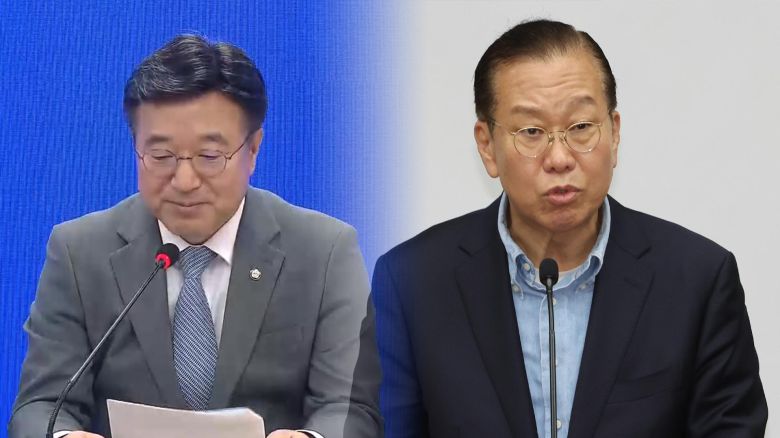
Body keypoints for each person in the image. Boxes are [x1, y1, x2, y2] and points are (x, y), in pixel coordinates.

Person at [372, 19, 767, 438]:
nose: (559, 158)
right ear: (486, 145)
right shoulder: (412, 282)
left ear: (614, 133)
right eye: (531, 132)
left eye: (580, 128)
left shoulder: (698, 281)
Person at [9, 35, 381, 438]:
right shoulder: (79, 252)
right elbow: (40, 406)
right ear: (136, 148)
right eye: (161, 156)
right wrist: (64, 436)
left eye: (209, 157)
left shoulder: (324, 252)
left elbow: (351, 409)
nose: (184, 181)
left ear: (253, 149)